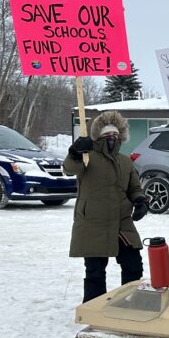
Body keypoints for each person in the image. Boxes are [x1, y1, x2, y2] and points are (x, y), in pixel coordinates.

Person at [64, 111, 148, 302]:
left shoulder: (125, 161)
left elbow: (134, 187)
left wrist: (140, 201)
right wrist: (75, 152)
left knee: (133, 264)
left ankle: (130, 301)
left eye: (115, 135)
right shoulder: (87, 157)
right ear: (99, 136)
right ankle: (94, 307)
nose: (112, 138)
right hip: (93, 221)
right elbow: (69, 168)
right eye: (107, 135)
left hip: (121, 222)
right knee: (95, 270)